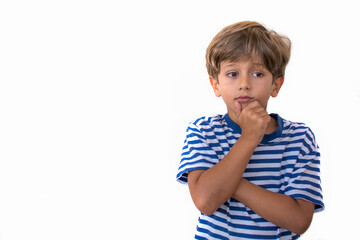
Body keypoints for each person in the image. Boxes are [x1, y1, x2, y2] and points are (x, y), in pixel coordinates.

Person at [176, 21, 324, 239]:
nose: (244, 83)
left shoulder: (299, 138)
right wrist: (248, 138)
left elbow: (299, 220)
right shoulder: (203, 131)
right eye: (233, 74)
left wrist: (227, 183)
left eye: (257, 74)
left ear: (276, 85)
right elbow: (206, 201)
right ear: (216, 85)